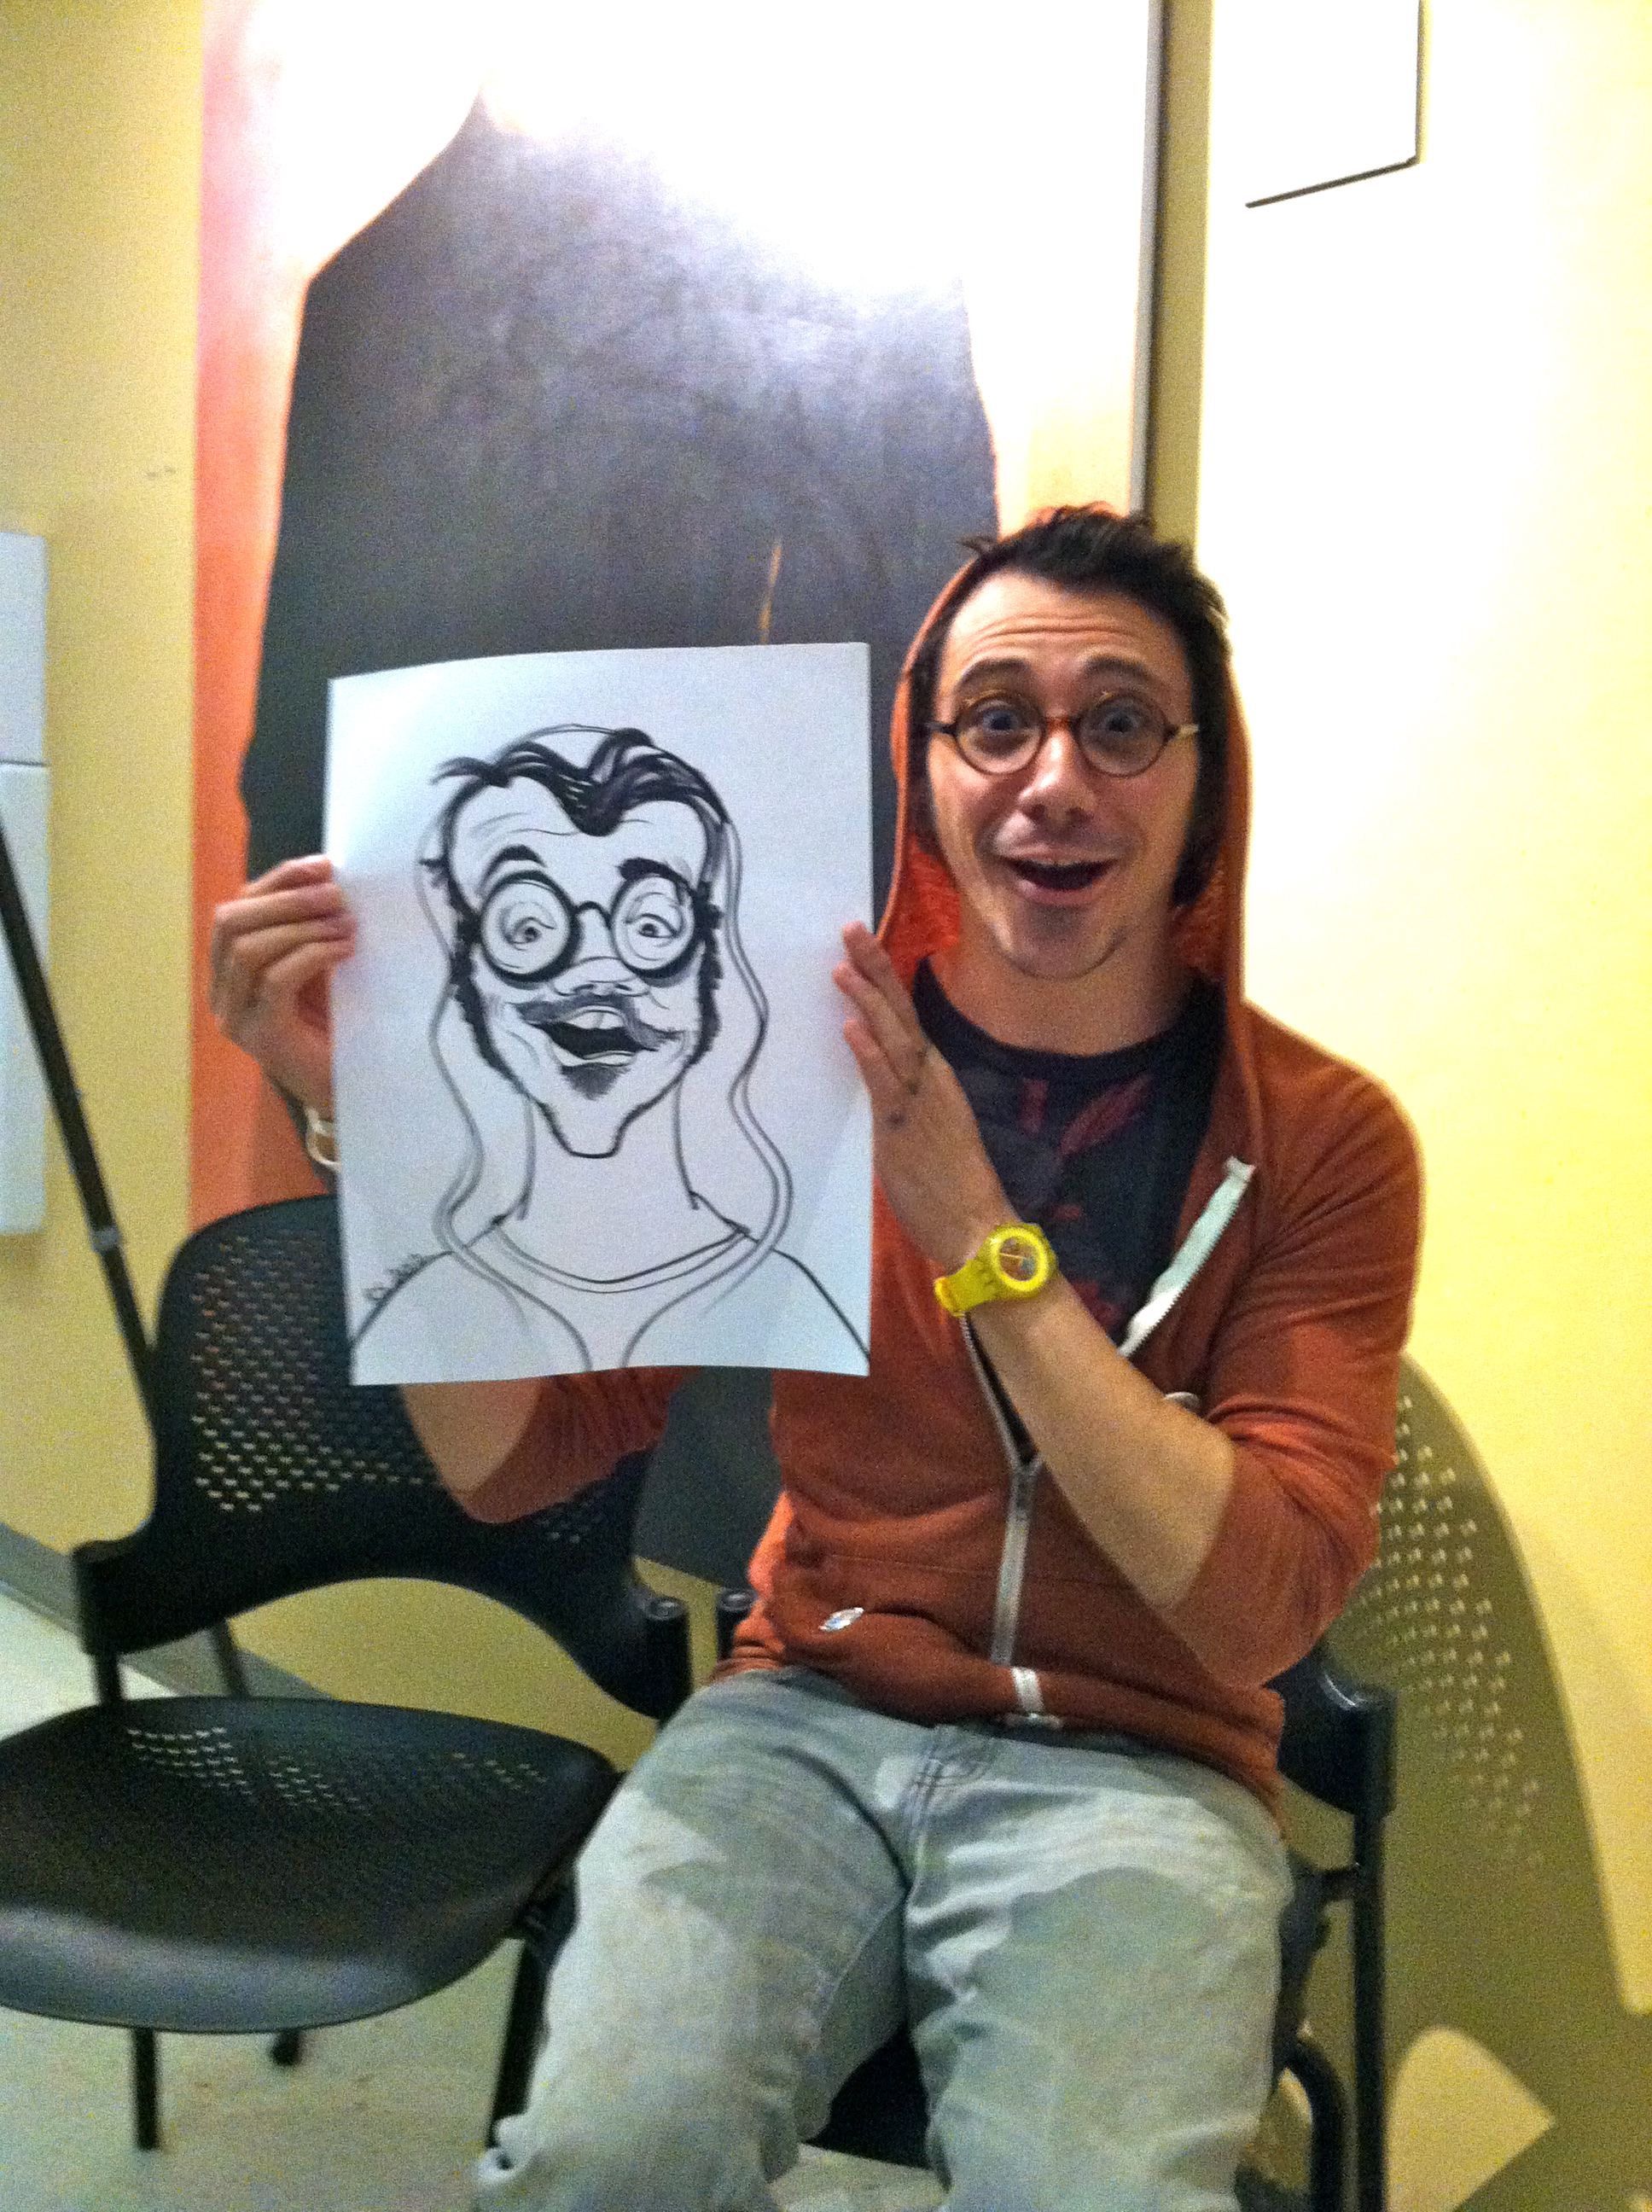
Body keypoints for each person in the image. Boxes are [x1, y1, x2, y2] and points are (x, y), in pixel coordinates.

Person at [211, 506, 1422, 2210]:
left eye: (1119, 722)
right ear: (924, 772)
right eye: (993, 719)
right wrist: (380, 1114)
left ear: (1201, 782)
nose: (1052, 778)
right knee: (607, 2157)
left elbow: (1256, 1609)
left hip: (1148, 1770)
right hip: (804, 1716)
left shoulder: (1319, 1139)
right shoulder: (786, 1061)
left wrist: (977, 1241)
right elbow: (514, 1456)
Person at [351, 723, 865, 1374]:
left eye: (650, 925)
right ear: (467, 968)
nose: (597, 974)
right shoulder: (423, 1310)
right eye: (528, 927)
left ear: (710, 960)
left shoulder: (797, 1309)